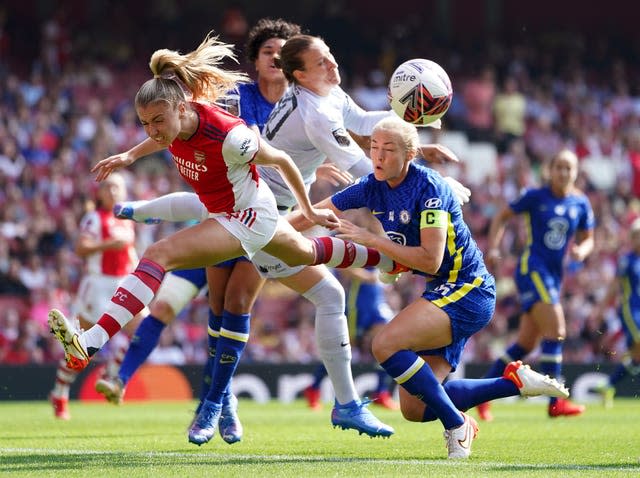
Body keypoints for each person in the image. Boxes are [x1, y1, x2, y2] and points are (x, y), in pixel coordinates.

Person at [105, 34, 468, 445]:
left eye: (330, 56)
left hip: (268, 212)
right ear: (297, 73)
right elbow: (368, 168)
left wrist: (415, 141)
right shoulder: (308, 111)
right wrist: (432, 181)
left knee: (251, 303)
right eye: (322, 61)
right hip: (261, 216)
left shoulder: (327, 96)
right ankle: (223, 400)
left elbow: (367, 125)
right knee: (237, 302)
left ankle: (238, 402)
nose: (333, 65)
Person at [290, 116, 571, 459]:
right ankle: (513, 382)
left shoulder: (431, 189)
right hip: (444, 292)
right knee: (415, 408)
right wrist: (270, 229)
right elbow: (312, 213)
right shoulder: (371, 185)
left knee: (385, 343)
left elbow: (431, 261)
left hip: (468, 290)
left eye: (388, 150)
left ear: (409, 154)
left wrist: (370, 240)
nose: (378, 156)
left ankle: (457, 424)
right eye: (374, 148)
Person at [94, 18, 305, 446]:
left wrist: (318, 195)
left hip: (259, 212)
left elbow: (293, 154)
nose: (276, 61)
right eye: (270, 53)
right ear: (258, 57)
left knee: (238, 300)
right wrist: (131, 155)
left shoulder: (302, 106)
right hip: (218, 211)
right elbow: (170, 126)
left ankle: (213, 400)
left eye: (284, 56)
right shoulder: (236, 96)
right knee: (212, 307)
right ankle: (217, 398)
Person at [476, 149, 595, 421]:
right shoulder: (535, 196)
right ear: (549, 170)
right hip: (532, 269)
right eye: (560, 167)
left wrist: (582, 251)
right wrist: (493, 247)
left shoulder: (581, 203)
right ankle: (556, 402)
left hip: (554, 275)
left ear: (576, 172)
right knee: (557, 330)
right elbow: (502, 216)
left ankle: (482, 395)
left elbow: (589, 238)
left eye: (569, 168)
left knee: (525, 344)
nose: (564, 172)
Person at [49, 172, 145, 420]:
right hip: (98, 285)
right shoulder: (95, 218)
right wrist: (107, 245)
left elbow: (129, 252)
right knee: (82, 347)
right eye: (109, 188)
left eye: (117, 188)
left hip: (125, 283)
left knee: (143, 331)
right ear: (100, 193)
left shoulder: (128, 218)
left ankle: (111, 373)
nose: (113, 192)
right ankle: (60, 392)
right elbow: (81, 248)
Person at [303, 265, 399, 411]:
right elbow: (343, 269)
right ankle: (313, 388)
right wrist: (370, 277)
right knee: (343, 347)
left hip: (378, 302)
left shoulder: (379, 244)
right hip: (358, 305)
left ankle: (381, 392)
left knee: (388, 345)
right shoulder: (357, 243)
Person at [589, 217, 640, 408]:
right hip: (631, 310)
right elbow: (614, 287)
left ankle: (608, 385)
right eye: (636, 236)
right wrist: (601, 308)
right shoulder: (627, 260)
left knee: (635, 358)